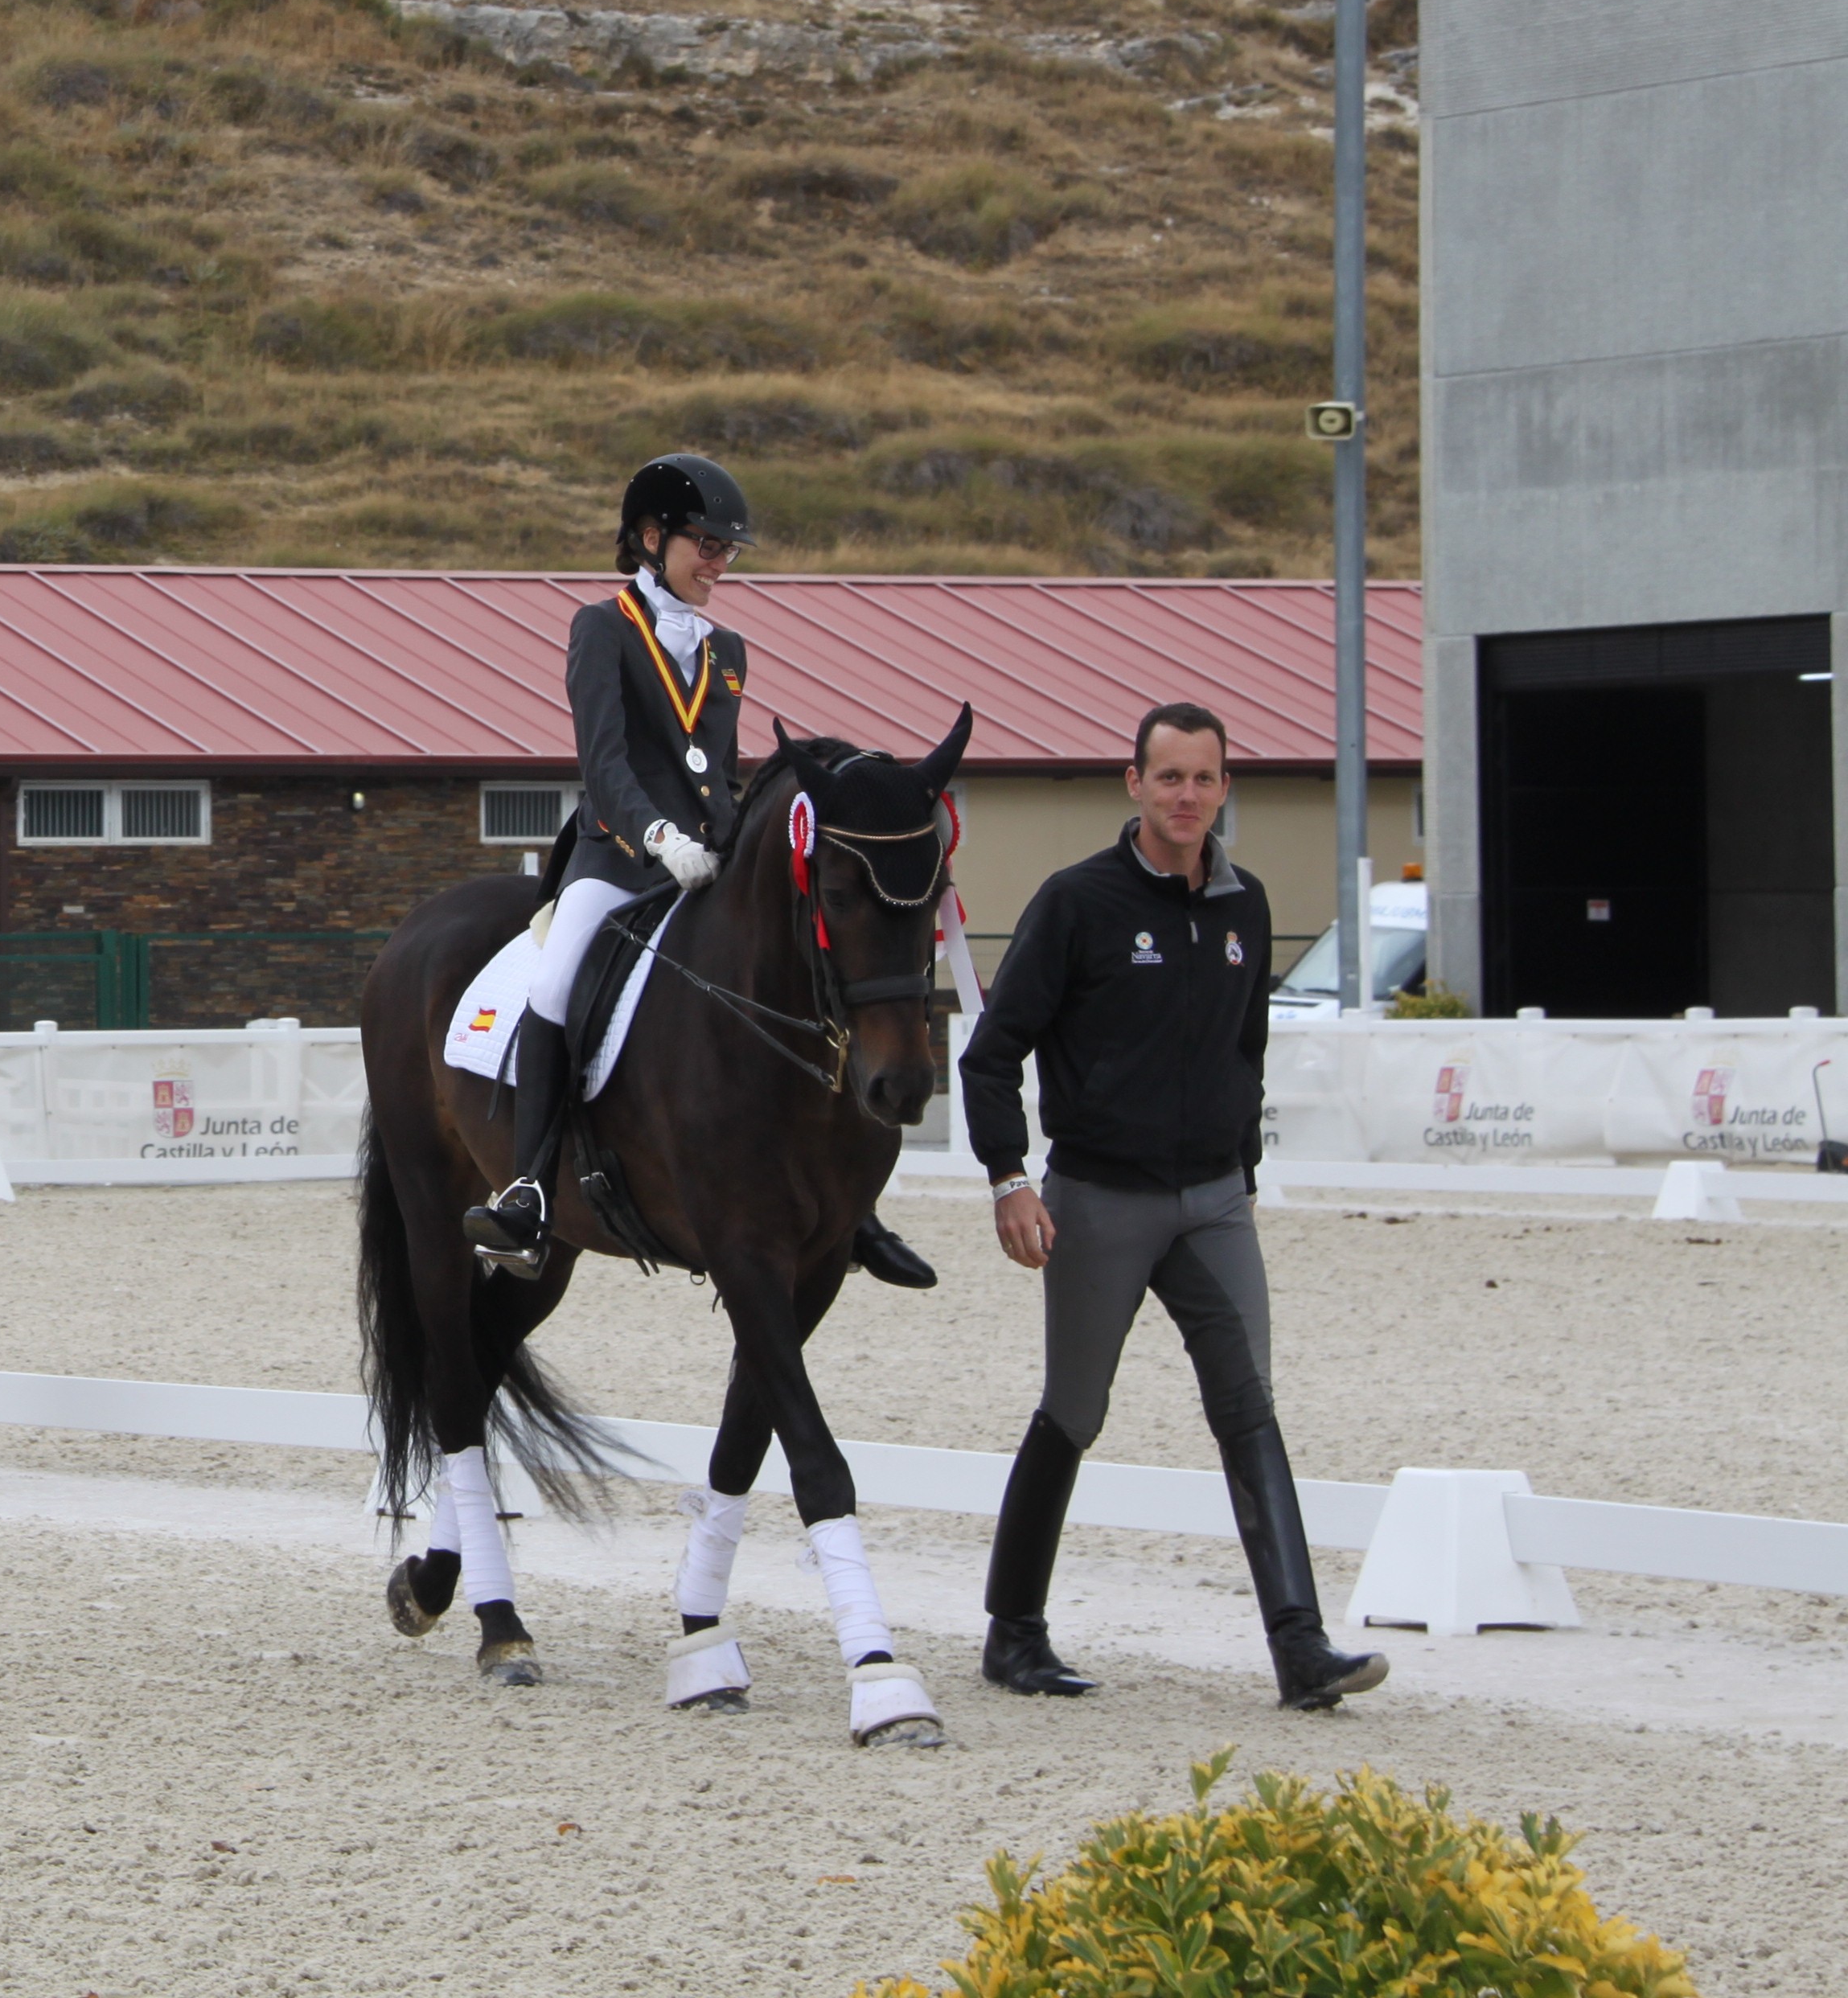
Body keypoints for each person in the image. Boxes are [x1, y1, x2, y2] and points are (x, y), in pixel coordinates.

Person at [959, 700, 1387, 1712]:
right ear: (1134, 784)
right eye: (1169, 777)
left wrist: (1238, 1166)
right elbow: (990, 1053)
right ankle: (1013, 1634)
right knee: (1073, 1412)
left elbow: (1248, 1048)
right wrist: (1009, 1179)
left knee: (1250, 1413)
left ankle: (1301, 1650)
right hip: (1099, 1203)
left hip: (1212, 1208)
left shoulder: (1245, 908)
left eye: (1205, 778)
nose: (1187, 796)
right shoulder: (1078, 903)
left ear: (1225, 786)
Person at [461, 454, 936, 1291]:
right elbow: (605, 763)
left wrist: (735, 836)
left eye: (728, 550)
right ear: (651, 539)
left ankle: (847, 1206)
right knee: (558, 983)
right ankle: (530, 1189)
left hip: (706, 859)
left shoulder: (728, 649)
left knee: (802, 976)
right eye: (706, 544)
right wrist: (655, 836)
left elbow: (713, 767)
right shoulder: (600, 628)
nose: (719, 562)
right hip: (617, 856)